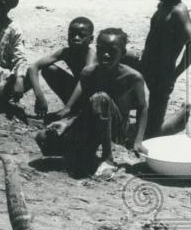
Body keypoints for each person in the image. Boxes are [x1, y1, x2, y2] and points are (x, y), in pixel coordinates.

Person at [36, 28, 147, 178]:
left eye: (112, 51)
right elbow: (83, 107)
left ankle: (107, 158)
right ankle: (82, 152)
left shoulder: (133, 78)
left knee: (101, 98)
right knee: (44, 138)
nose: (105, 55)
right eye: (101, 49)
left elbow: (142, 108)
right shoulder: (88, 73)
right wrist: (67, 122)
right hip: (93, 126)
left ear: (123, 53)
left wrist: (138, 141)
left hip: (116, 131)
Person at [128, 0, 191, 138]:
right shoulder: (163, 5)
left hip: (162, 75)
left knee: (152, 133)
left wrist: (175, 74)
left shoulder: (179, 12)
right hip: (145, 62)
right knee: (116, 55)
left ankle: (178, 120)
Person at [27, 17, 96, 118]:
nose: (76, 38)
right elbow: (33, 67)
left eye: (81, 35)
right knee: (49, 69)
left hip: (95, 98)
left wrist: (67, 108)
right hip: (79, 94)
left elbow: (83, 81)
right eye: (72, 35)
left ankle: (75, 111)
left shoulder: (91, 57)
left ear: (91, 39)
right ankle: (75, 110)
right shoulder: (66, 52)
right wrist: (39, 96)